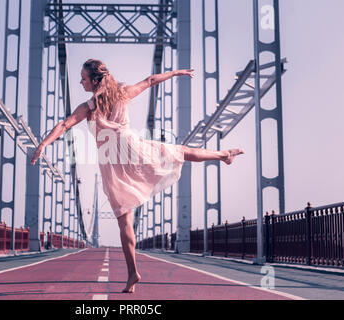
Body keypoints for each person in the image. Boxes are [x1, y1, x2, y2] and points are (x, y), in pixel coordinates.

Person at [30, 59, 244, 293]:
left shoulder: (88, 108)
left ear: (94, 80)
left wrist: (44, 144)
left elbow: (64, 125)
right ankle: (224, 154)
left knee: (125, 220)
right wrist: (176, 72)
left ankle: (133, 272)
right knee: (179, 152)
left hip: (113, 164)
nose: (80, 82)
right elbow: (150, 81)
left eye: (83, 78)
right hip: (130, 153)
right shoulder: (121, 95)